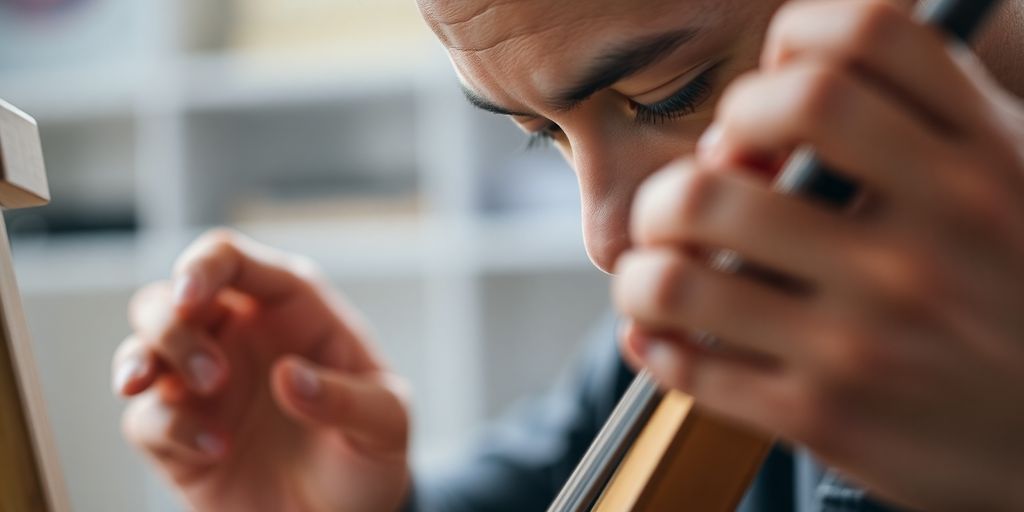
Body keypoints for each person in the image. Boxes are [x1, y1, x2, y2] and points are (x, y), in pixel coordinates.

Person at [110, 0, 1024, 510]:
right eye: (539, 133)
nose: (607, 239)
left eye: (671, 95)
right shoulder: (729, 291)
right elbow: (547, 475)